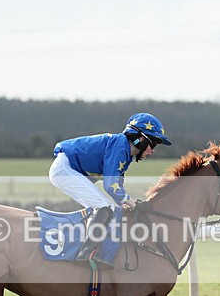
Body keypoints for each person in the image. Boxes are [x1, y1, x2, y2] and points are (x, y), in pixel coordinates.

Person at [49, 112, 171, 268]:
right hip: (65, 169)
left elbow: (118, 188)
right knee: (104, 207)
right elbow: (111, 185)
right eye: (152, 144)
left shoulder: (125, 153)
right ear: (140, 139)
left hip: (69, 169)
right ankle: (86, 253)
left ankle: (89, 250)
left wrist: (127, 203)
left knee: (107, 208)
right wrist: (133, 203)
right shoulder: (120, 146)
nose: (152, 150)